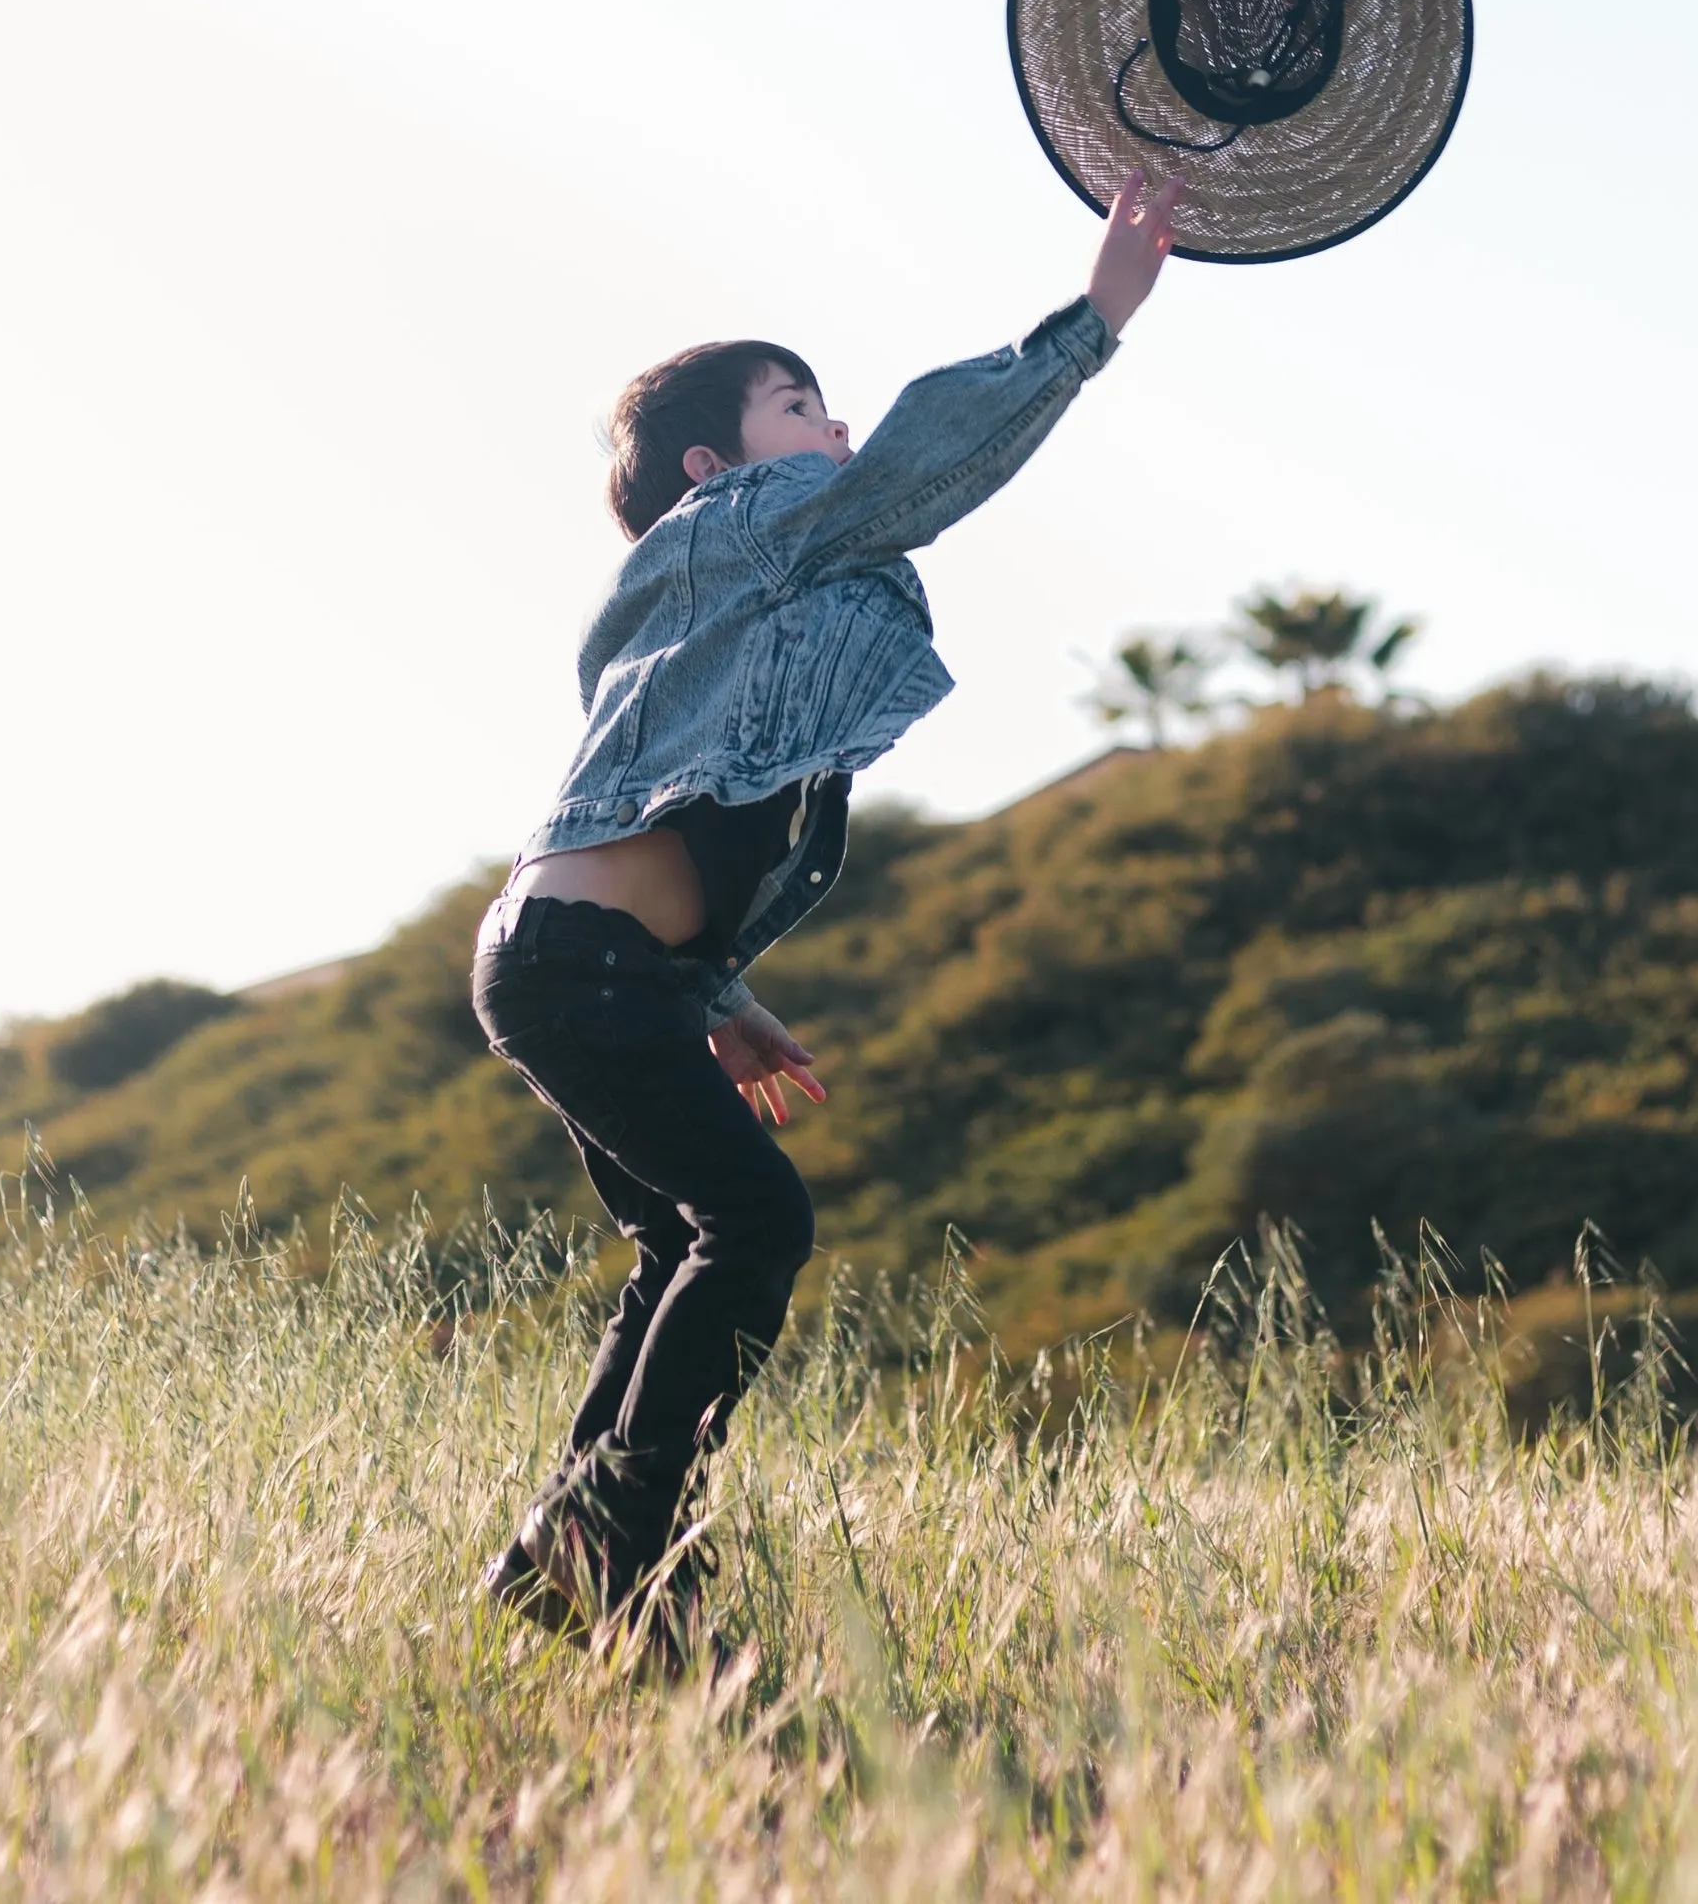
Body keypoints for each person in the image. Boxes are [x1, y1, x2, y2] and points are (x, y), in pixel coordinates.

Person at [472, 166, 1184, 1664]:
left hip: (574, 959)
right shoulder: (758, 513)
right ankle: (607, 1545)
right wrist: (1094, 321)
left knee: (687, 1242)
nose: (834, 432)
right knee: (755, 1219)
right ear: (706, 459)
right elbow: (928, 455)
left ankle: (584, 1555)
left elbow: (664, 801)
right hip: (588, 961)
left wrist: (713, 998)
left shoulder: (688, 594)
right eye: (802, 405)